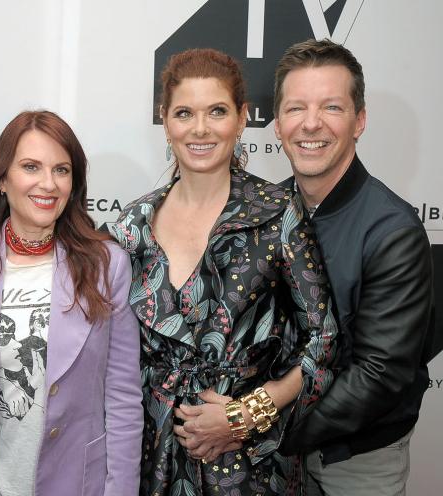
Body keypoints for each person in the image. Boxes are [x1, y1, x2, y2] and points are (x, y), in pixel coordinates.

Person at [107, 48, 339, 495]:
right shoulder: (128, 229)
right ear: (165, 120)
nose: (200, 128)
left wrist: (245, 415)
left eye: (216, 111)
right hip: (148, 458)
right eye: (184, 113)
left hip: (250, 462)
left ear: (241, 118)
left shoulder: (277, 214)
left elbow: (324, 341)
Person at [0, 110, 143, 496]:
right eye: (31, 166)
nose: (48, 183)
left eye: (61, 170)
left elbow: (122, 399)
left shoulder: (107, 267)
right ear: (3, 179)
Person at [273, 39, 435, 496]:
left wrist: (269, 429)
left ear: (359, 120)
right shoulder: (264, 212)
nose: (311, 123)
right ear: (277, 122)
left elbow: (379, 375)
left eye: (331, 107)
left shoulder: (393, 230)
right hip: (275, 453)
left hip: (357, 459)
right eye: (295, 108)